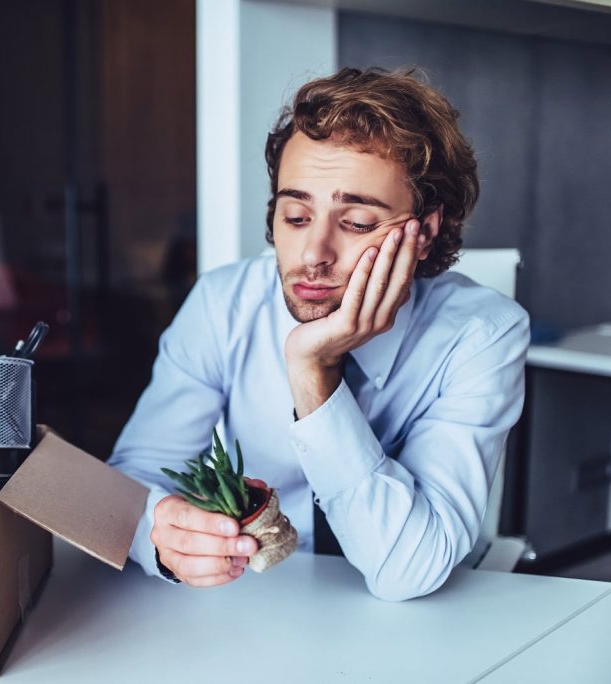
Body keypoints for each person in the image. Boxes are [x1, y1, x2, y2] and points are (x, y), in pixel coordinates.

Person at [108, 67, 530, 601]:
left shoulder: (484, 333)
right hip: (259, 601)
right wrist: (163, 536)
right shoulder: (222, 305)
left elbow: (408, 571)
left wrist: (314, 373)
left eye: (356, 222)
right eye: (296, 215)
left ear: (423, 232)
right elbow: (135, 475)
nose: (313, 255)